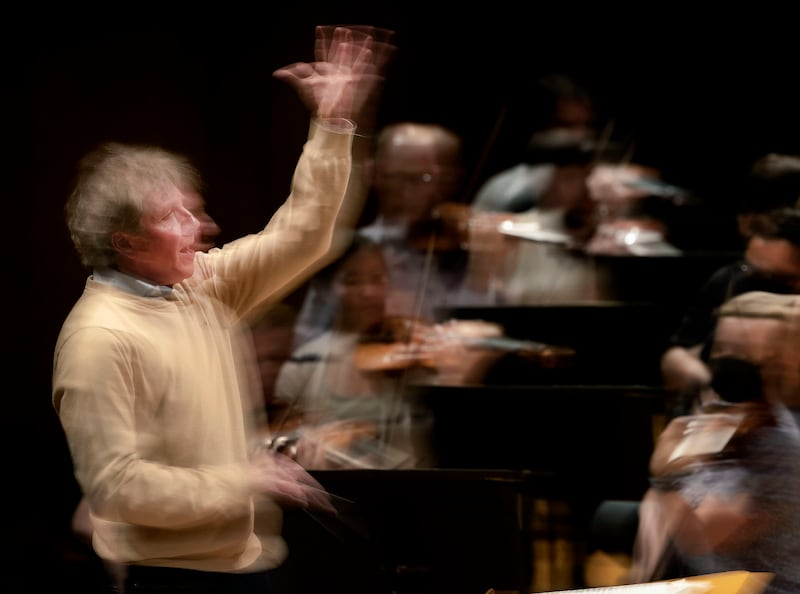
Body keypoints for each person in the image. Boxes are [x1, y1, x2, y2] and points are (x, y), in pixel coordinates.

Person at [51, 24, 395, 594]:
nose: (201, 228)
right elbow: (119, 487)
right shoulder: (98, 337)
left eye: (193, 209)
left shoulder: (199, 284)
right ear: (126, 243)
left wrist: (333, 127)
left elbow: (306, 234)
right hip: (173, 579)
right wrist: (244, 479)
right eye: (174, 216)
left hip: (249, 565)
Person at [272, 235, 508, 470]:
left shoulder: (408, 349)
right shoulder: (304, 361)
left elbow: (488, 334)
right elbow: (282, 435)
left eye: (378, 279)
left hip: (409, 485)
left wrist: (451, 343)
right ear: (326, 289)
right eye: (353, 281)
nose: (369, 292)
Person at [627, 291, 800, 592]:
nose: (729, 364)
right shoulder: (720, 419)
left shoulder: (781, 445)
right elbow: (656, 512)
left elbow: (703, 536)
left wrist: (667, 475)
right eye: (723, 350)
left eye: (746, 353)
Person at [660, 207, 800, 410]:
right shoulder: (730, 280)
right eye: (751, 269)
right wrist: (702, 379)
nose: (753, 285)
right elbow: (680, 350)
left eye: (773, 279)